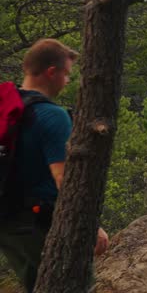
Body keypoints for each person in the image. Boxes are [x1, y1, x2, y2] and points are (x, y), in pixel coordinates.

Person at [0, 38, 108, 292]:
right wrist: (92, 225)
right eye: (67, 74)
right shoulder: (52, 115)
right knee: (71, 284)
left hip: (7, 220)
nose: (68, 81)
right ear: (51, 72)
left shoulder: (7, 104)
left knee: (35, 284)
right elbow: (65, 180)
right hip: (34, 221)